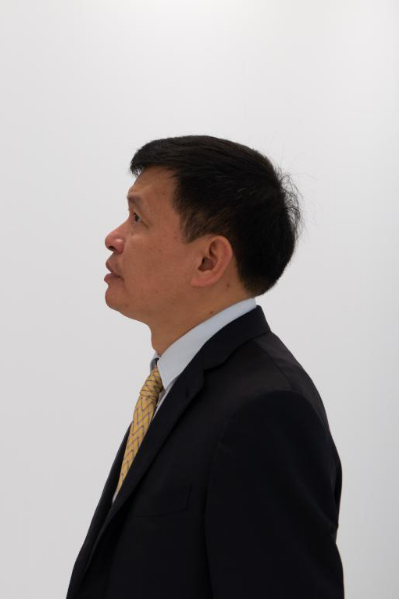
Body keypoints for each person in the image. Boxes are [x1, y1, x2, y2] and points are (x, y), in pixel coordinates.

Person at [66, 136, 343, 599]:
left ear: (208, 260)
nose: (113, 237)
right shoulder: (181, 386)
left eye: (137, 218)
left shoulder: (266, 411)